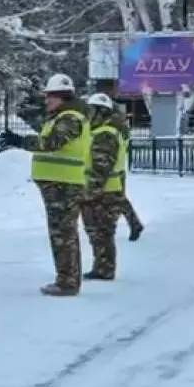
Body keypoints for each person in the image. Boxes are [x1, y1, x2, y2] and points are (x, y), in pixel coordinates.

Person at [0, 73, 90, 296]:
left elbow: (52, 143)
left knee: (63, 234)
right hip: (59, 183)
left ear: (63, 97)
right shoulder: (63, 117)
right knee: (63, 232)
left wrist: (21, 141)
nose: (47, 100)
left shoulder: (70, 118)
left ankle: (67, 282)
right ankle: (68, 278)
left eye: (51, 96)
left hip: (64, 184)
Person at [81, 93, 128, 280]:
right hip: (108, 190)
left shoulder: (105, 134)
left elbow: (101, 167)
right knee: (101, 232)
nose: (88, 115)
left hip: (103, 192)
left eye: (92, 111)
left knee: (101, 232)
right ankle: (102, 266)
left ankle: (104, 269)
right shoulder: (104, 131)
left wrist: (89, 192)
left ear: (102, 112)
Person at [112, 106, 145, 241]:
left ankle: (133, 223)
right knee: (118, 199)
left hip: (112, 169)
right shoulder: (122, 129)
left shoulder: (113, 130)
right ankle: (133, 223)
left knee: (117, 199)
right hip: (118, 168)